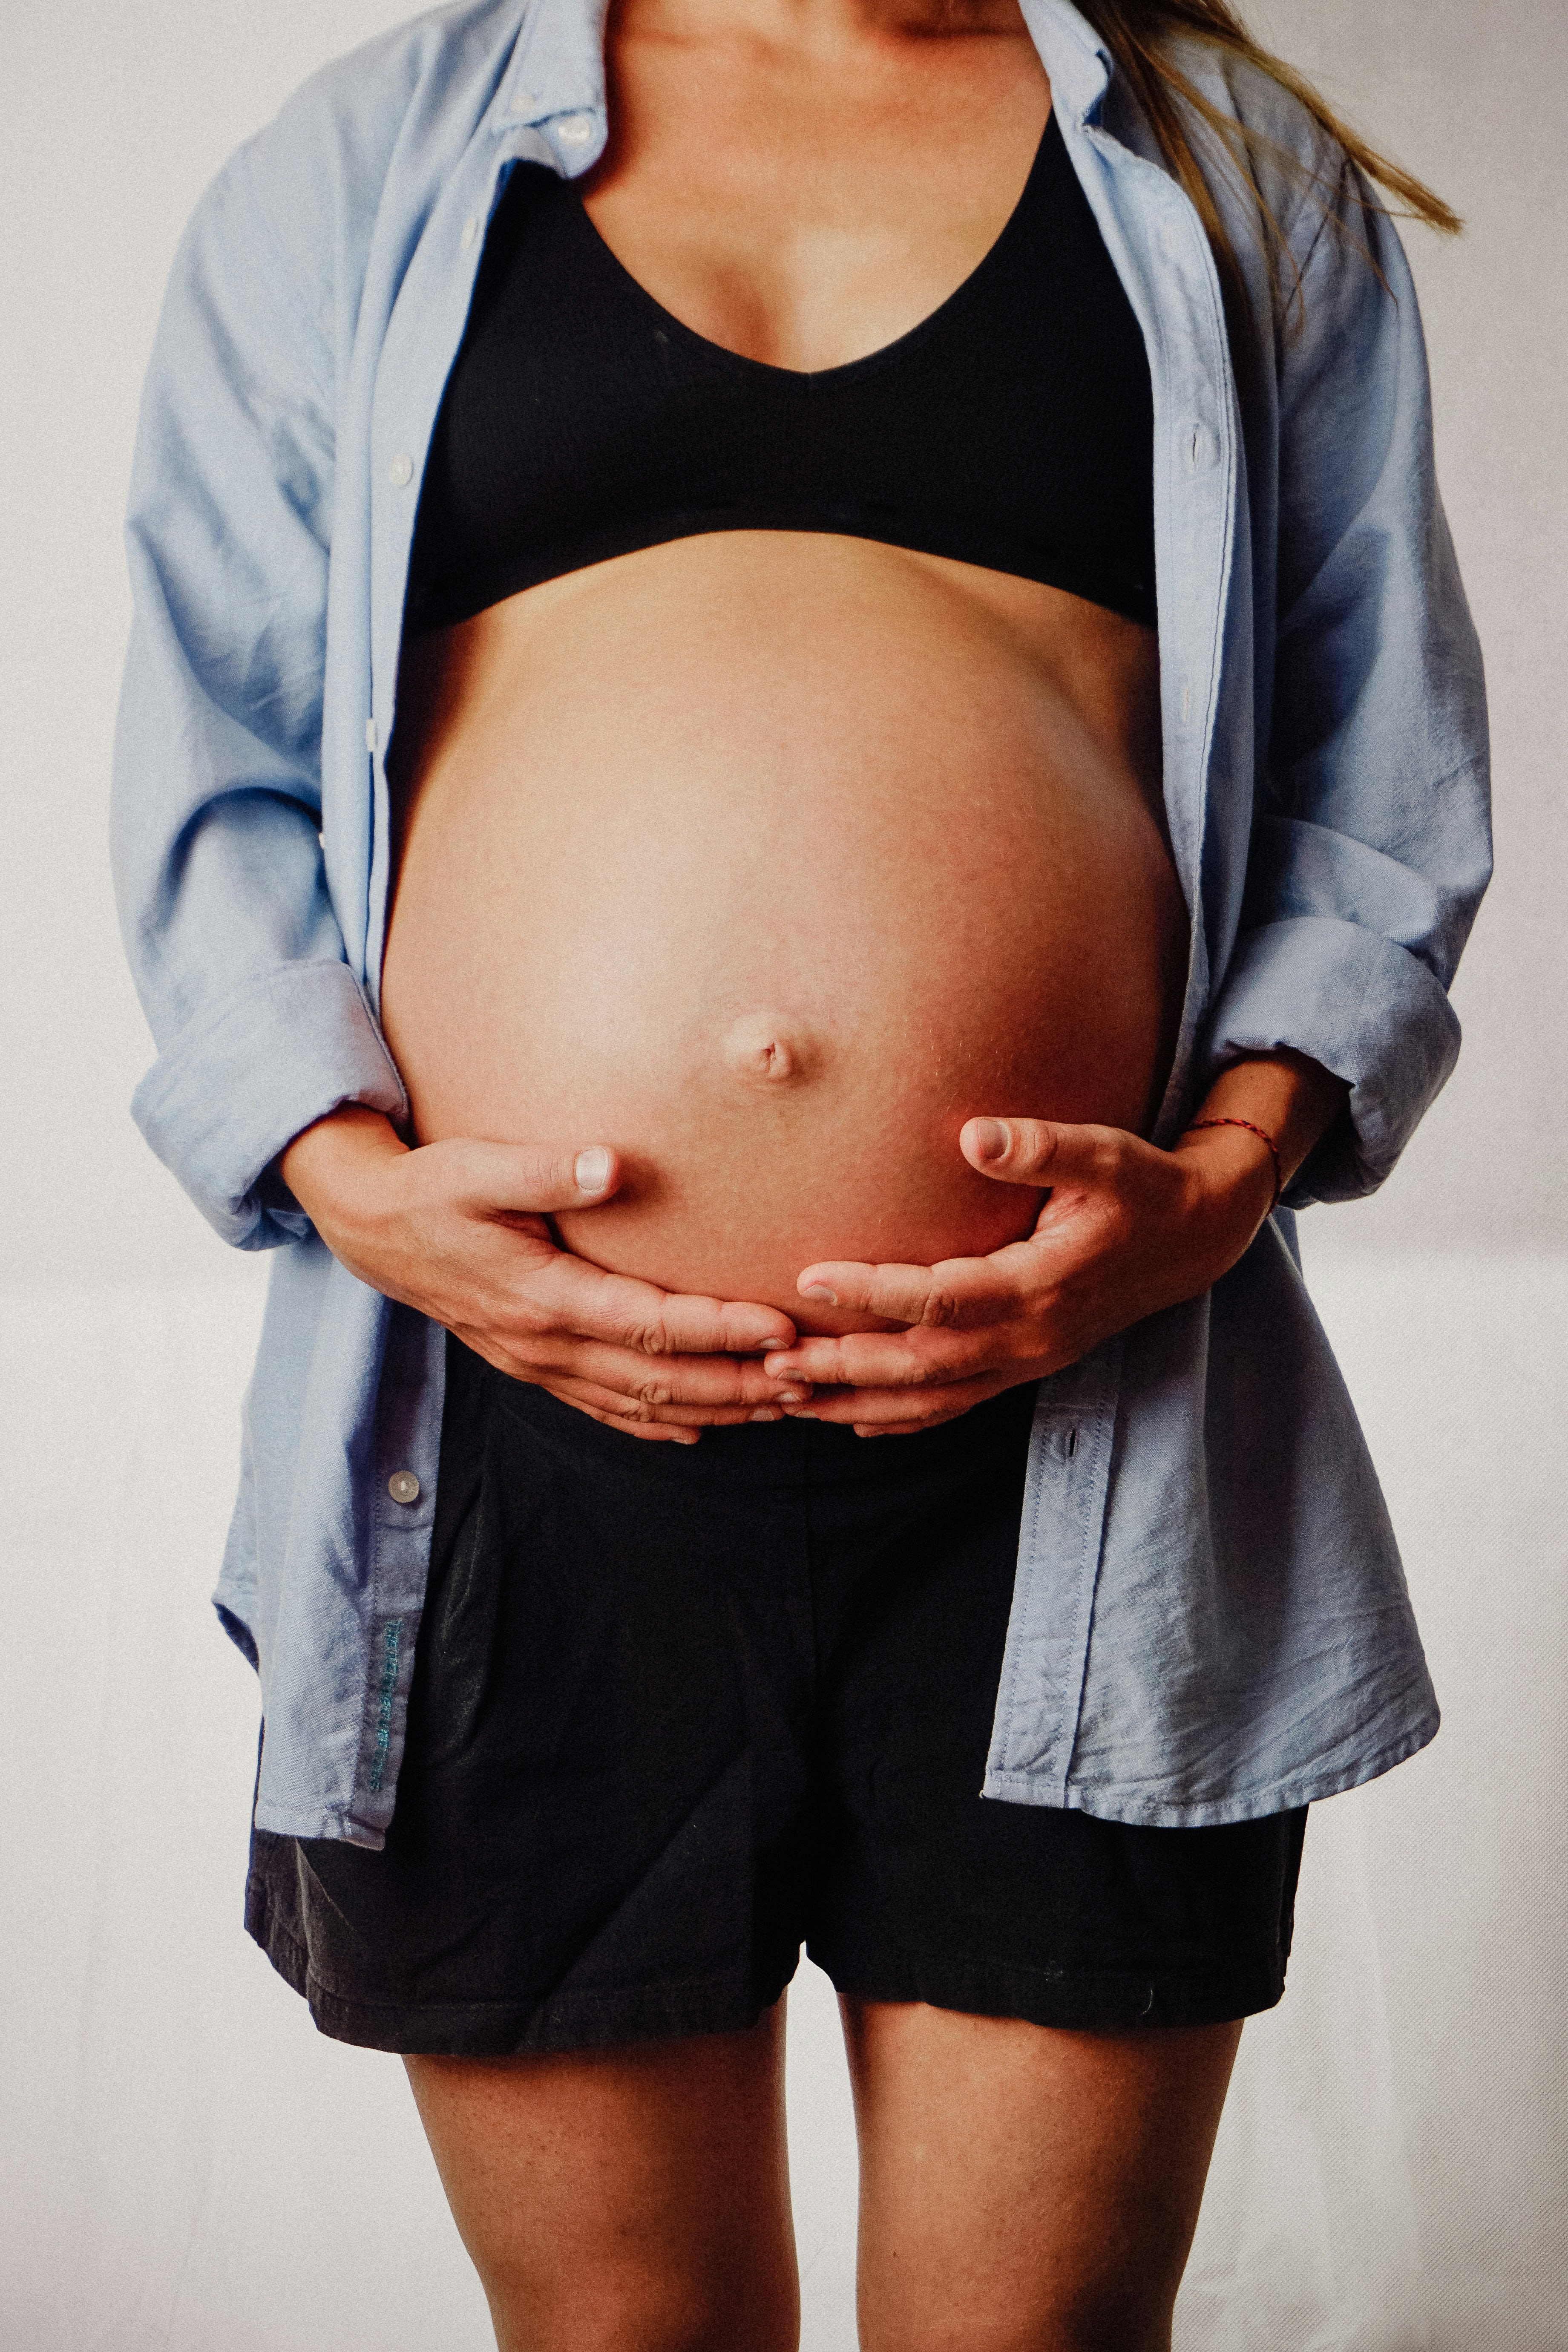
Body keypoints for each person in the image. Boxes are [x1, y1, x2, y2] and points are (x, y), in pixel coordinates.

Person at [111, 0, 1490, 2341]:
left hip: (1084, 1453)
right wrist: (356, 1184)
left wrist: (1229, 1169)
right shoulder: (372, 160)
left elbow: (1375, 770)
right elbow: (211, 739)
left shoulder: (1230, 176)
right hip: (506, 1449)